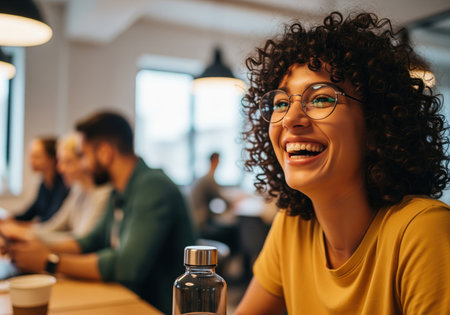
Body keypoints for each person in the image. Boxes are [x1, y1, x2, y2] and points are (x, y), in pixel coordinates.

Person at [235, 11, 450, 315]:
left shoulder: (421, 230)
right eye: (281, 103)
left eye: (321, 99)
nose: (291, 119)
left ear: (377, 127)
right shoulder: (294, 225)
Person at [3, 112, 195, 314]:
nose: (83, 165)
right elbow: (89, 242)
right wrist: (30, 246)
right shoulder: (119, 189)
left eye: (83, 155)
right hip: (123, 298)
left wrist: (49, 262)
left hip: (155, 307)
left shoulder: (153, 187)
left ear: (105, 152)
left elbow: (127, 266)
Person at [0, 134, 111, 243]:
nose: (61, 168)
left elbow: (82, 242)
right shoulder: (77, 191)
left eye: (68, 162)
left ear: (84, 161)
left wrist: (25, 234)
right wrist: (23, 233)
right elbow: (55, 226)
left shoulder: (103, 194)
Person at [14, 137, 70, 222]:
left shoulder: (64, 184)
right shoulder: (44, 184)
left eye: (36, 156)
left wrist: (27, 229)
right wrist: (9, 219)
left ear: (52, 159)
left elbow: (51, 219)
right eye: (31, 156)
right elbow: (31, 212)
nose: (31, 160)